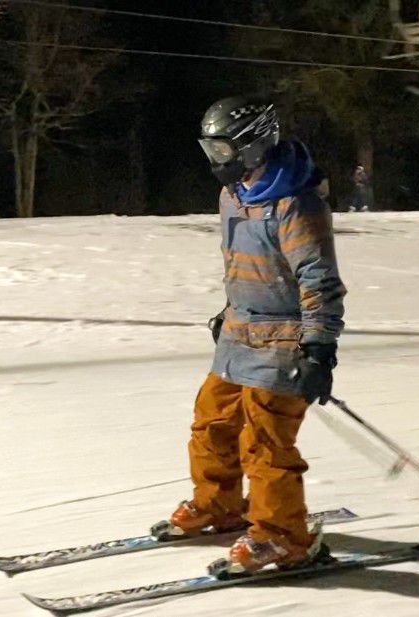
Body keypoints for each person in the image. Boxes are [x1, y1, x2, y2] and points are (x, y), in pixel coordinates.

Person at [158, 95, 346, 574]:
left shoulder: (295, 202)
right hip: (240, 332)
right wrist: (228, 310)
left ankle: (282, 537)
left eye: (224, 151)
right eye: (210, 151)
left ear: (253, 146)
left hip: (285, 339)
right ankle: (219, 504)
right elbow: (241, 265)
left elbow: (317, 279)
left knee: (265, 442)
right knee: (212, 420)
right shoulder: (233, 196)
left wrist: (319, 348)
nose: (216, 162)